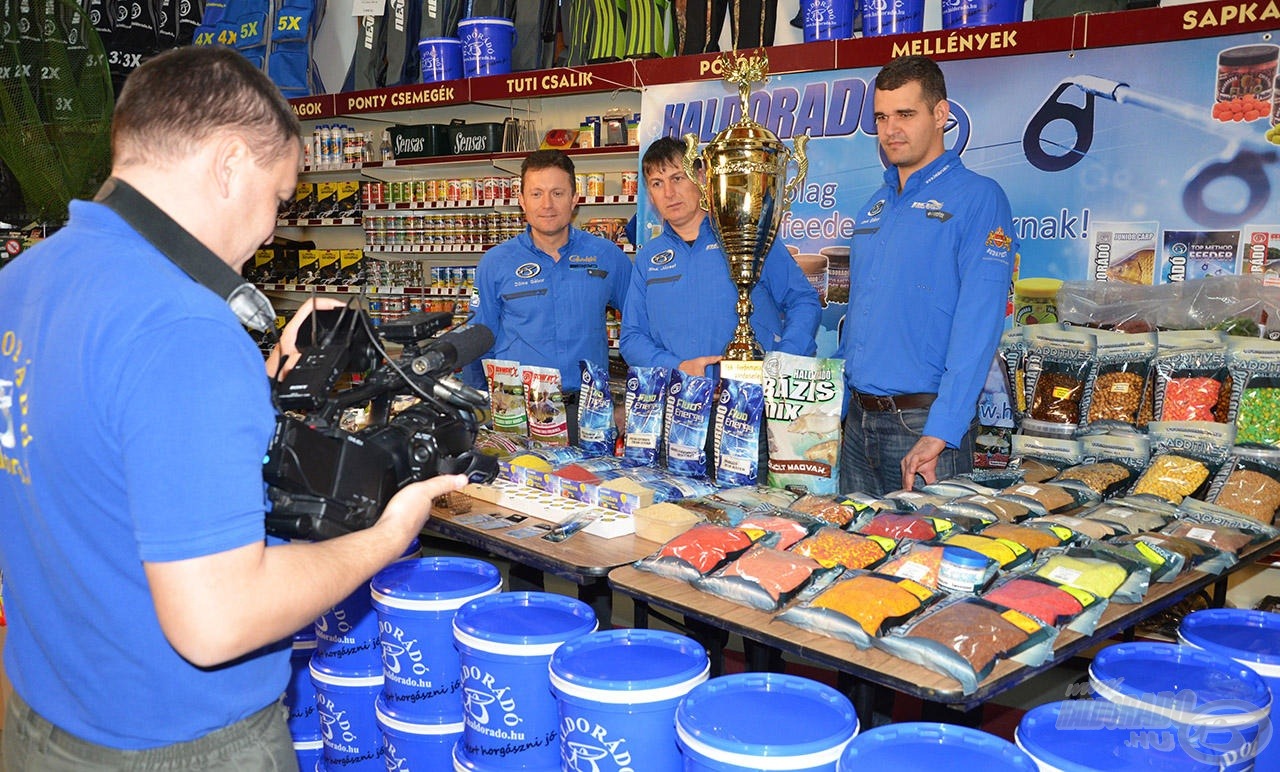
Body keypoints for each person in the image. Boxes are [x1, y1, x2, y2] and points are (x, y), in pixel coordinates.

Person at [0, 46, 466, 770]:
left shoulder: (23, 282)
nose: (274, 229)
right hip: (181, 744)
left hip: (43, 718)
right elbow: (215, 621)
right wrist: (388, 534)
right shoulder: (183, 328)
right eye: (279, 197)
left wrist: (259, 381)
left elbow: (93, 457)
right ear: (227, 163)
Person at [837, 55, 1016, 496]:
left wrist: (944, 428)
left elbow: (979, 325)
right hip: (856, 425)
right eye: (881, 117)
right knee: (852, 559)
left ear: (940, 114)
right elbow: (858, 318)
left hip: (924, 427)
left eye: (905, 114)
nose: (890, 129)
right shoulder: (874, 206)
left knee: (925, 564)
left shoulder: (979, 198)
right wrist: (834, 412)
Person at [620, 136, 821, 379]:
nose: (669, 193)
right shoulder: (648, 258)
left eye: (677, 178)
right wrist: (678, 367)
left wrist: (784, 360)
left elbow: (803, 301)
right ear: (650, 195)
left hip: (749, 403)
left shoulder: (746, 235)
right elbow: (632, 338)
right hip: (680, 402)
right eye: (656, 183)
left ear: (702, 178)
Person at [467, 148, 630, 444]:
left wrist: (630, 403)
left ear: (574, 198)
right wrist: (477, 410)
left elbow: (640, 328)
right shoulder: (495, 263)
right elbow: (478, 340)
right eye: (537, 193)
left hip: (589, 413)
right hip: (516, 415)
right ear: (522, 201)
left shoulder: (607, 257)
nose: (547, 205)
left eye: (557, 193)